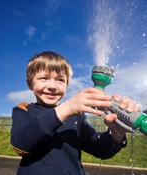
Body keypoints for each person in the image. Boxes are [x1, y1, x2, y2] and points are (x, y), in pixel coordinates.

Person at [11, 51, 139, 175]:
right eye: (44, 78)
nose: (52, 86)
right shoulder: (24, 110)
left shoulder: (76, 117)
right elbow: (21, 145)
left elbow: (99, 149)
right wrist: (66, 109)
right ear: (29, 83)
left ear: (67, 85)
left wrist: (116, 133)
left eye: (60, 80)